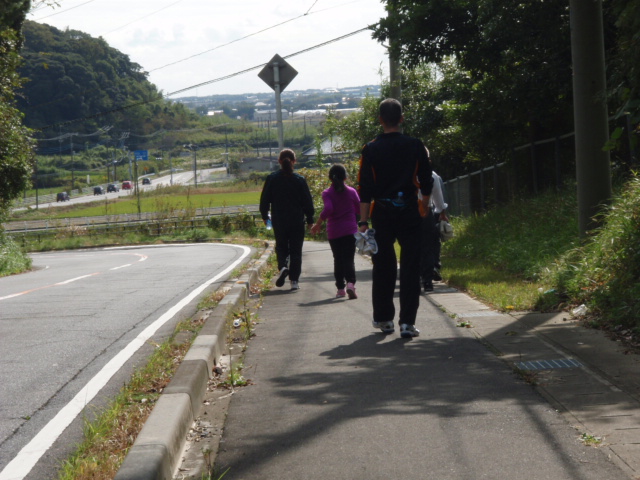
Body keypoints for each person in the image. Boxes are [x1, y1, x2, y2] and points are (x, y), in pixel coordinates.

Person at [357, 98, 433, 338]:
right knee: (411, 267)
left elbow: (365, 188)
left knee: (383, 266)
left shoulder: (370, 149)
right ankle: (407, 324)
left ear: (380, 120)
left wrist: (363, 222)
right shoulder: (415, 145)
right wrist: (424, 206)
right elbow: (427, 180)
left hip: (382, 212)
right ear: (401, 118)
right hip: (410, 210)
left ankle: (384, 319)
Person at [260, 148, 315, 291]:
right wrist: (310, 219)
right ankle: (294, 281)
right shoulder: (299, 180)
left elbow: (264, 200)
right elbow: (307, 202)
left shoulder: (272, 178)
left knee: (281, 246)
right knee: (296, 250)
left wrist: (265, 216)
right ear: (294, 161)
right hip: (297, 220)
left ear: (279, 161)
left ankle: (283, 266)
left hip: (279, 219)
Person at [311, 164, 361, 299]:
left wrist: (318, 223)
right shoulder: (351, 191)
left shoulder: (327, 193)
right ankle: (351, 284)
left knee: (338, 260)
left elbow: (328, 209)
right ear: (345, 177)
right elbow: (359, 208)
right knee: (349, 259)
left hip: (334, 232)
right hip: (350, 230)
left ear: (330, 178)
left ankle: (340, 289)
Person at [420, 165, 449, 292]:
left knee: (411, 246)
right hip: (426, 212)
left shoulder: (403, 169)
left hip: (407, 212)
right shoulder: (431, 174)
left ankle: (413, 279)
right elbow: (438, 195)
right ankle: (427, 281)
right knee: (428, 246)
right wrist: (442, 213)